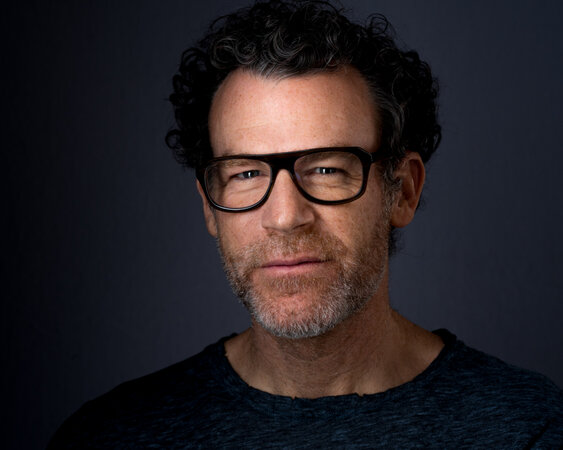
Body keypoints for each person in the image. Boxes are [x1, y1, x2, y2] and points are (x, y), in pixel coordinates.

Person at [48, 0, 562, 447]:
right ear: (209, 206)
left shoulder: (530, 430)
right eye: (246, 173)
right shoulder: (110, 436)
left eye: (326, 169)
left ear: (402, 191)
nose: (285, 216)